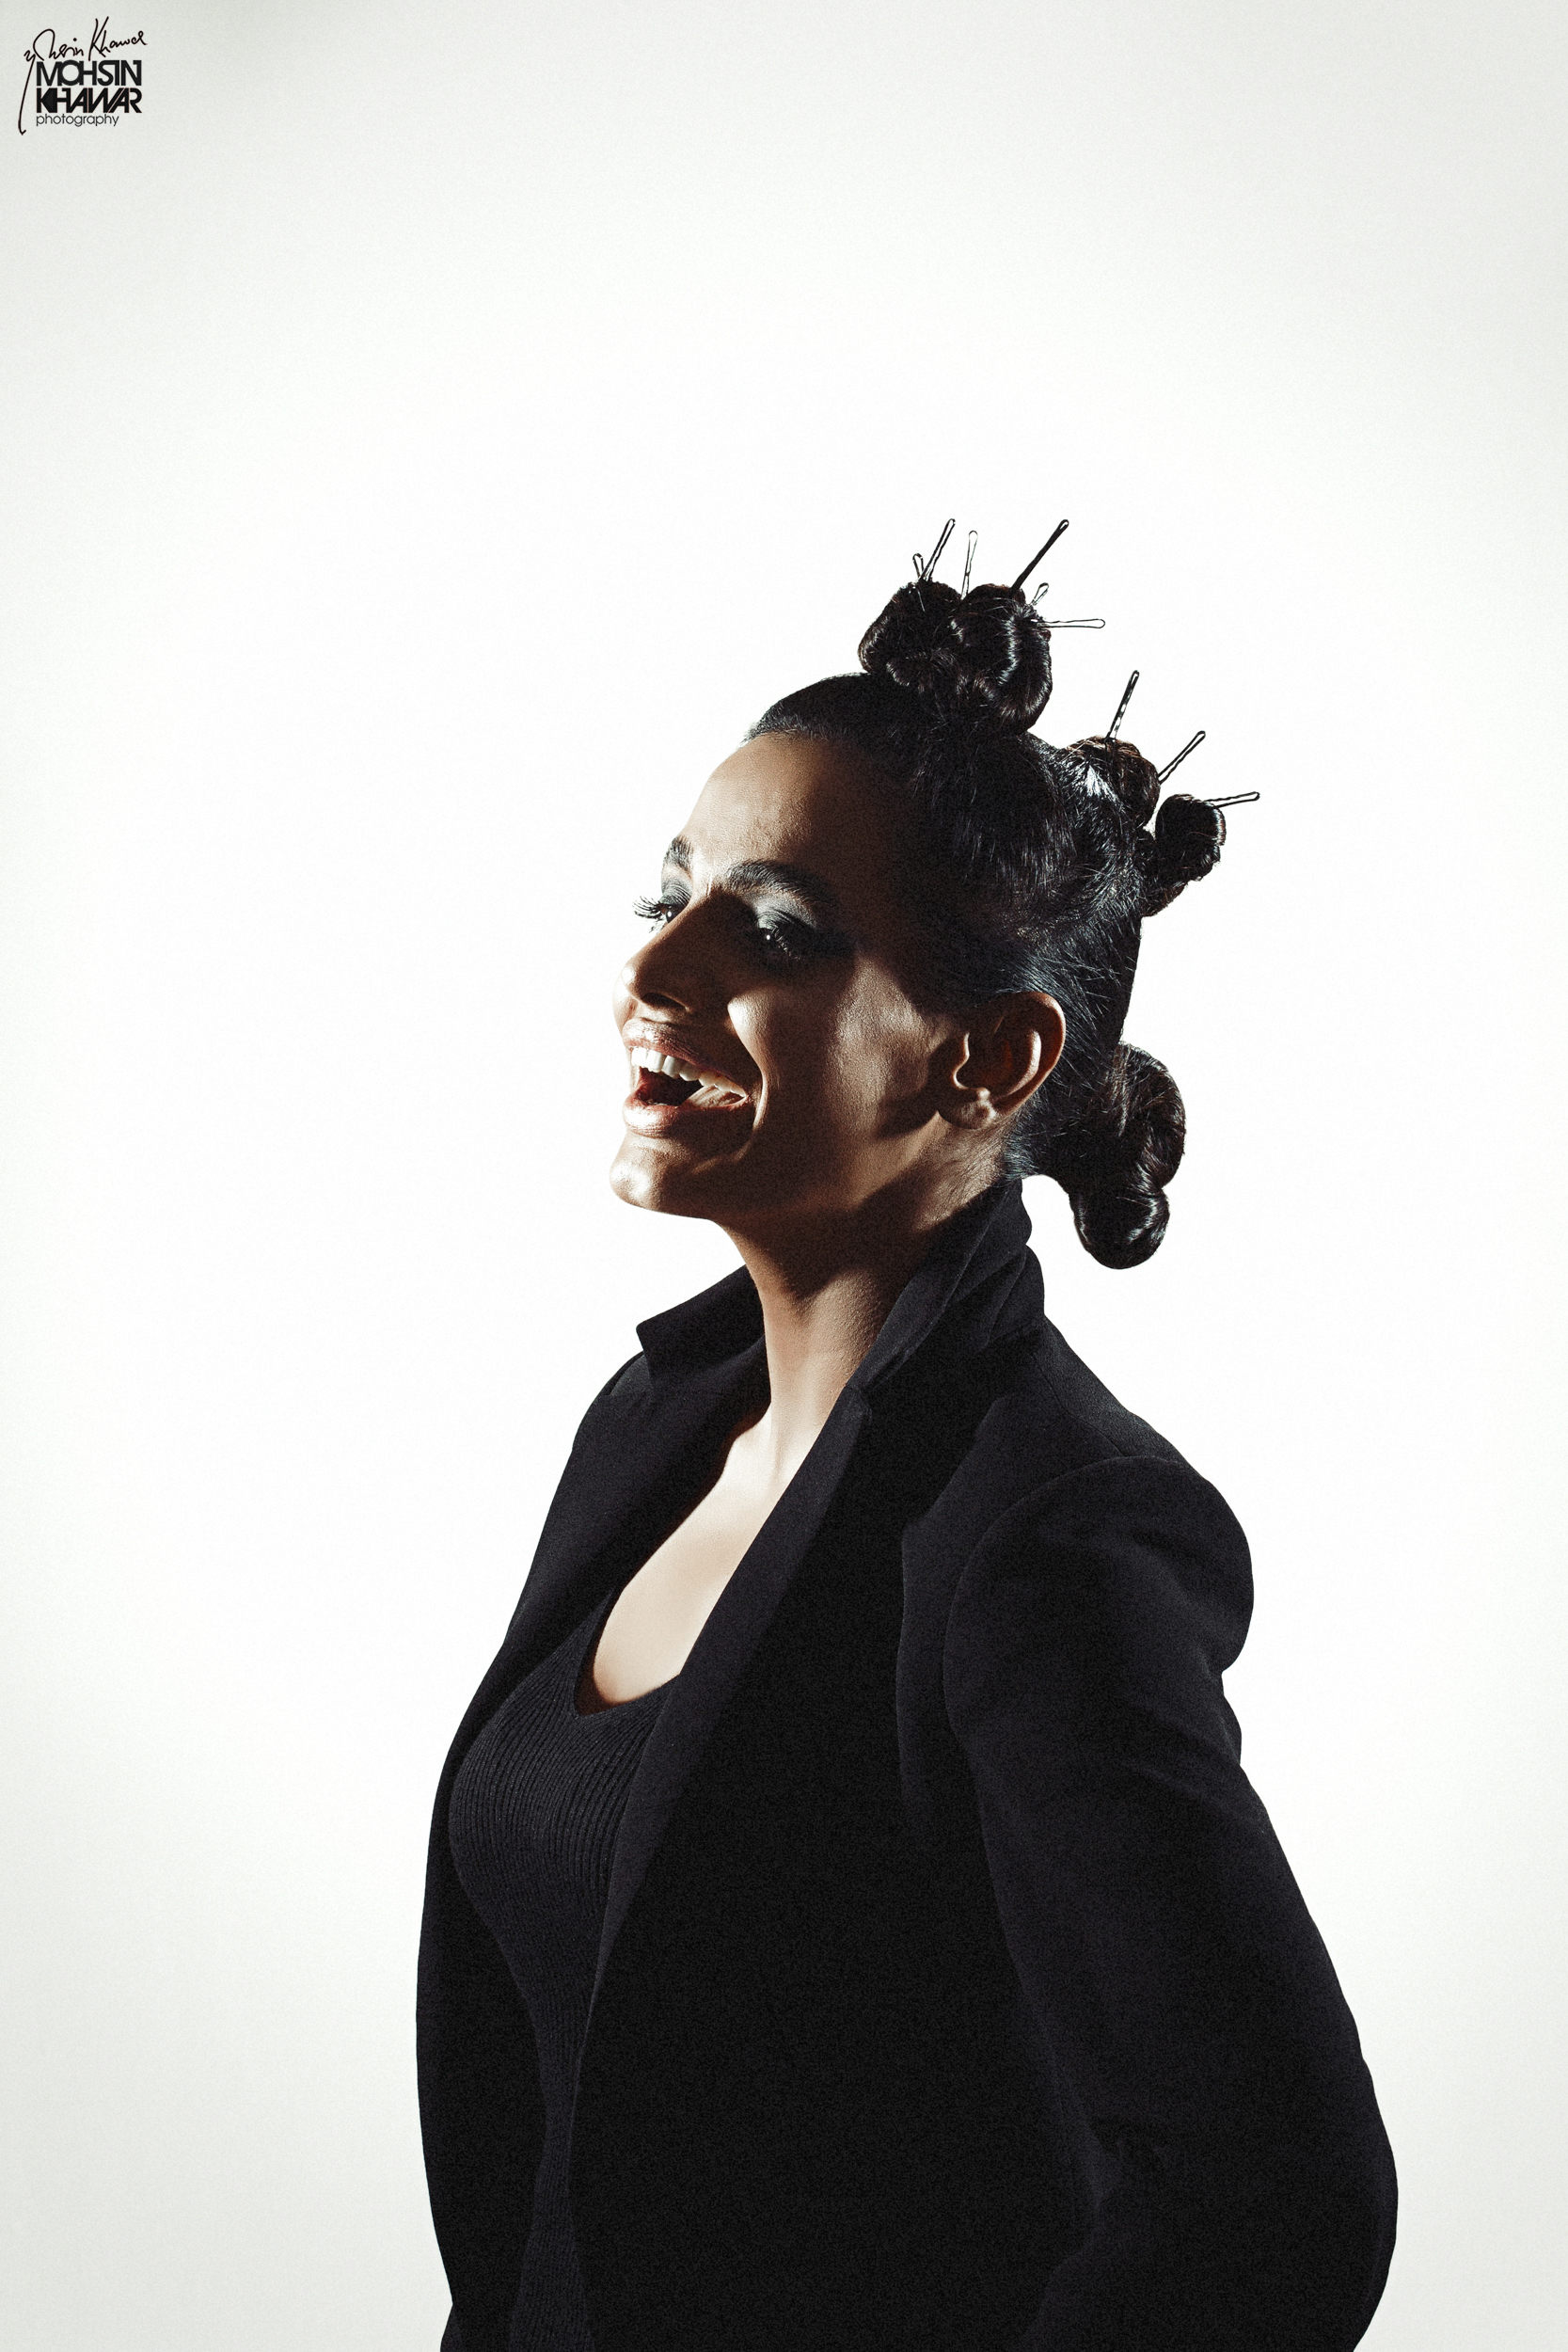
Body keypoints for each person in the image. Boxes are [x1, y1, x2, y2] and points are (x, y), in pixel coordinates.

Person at [417, 536, 1398, 2352]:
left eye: (776, 930)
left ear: (989, 1060)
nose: (657, 964)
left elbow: (1278, 2199)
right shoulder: (654, 1427)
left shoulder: (1046, 1534)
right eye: (671, 892)